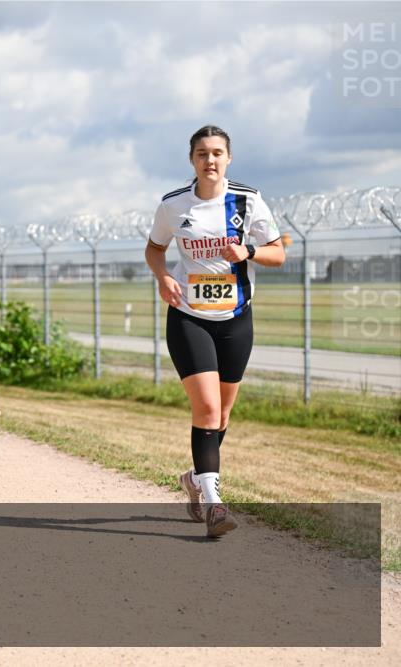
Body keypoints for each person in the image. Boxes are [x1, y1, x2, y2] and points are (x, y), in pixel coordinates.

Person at [145, 125, 285, 537]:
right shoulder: (173, 205)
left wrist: (250, 251)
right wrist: (162, 278)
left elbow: (278, 253)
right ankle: (214, 505)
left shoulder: (249, 200)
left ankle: (195, 479)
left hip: (236, 319)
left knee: (221, 415)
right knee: (206, 410)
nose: (210, 160)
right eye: (202, 153)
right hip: (189, 317)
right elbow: (155, 249)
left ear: (229, 158)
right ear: (192, 160)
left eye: (217, 153)